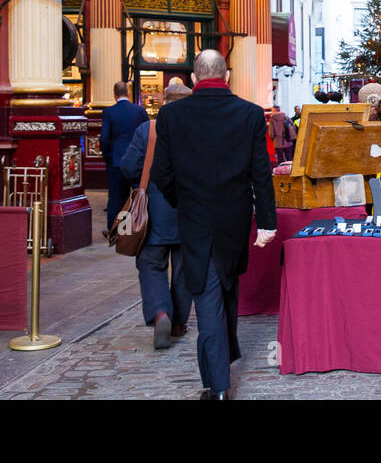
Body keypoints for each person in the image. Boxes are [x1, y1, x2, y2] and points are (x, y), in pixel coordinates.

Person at [149, 50, 276, 399]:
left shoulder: (172, 116)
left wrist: (183, 201)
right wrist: (267, 222)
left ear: (193, 79)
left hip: (195, 220)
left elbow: (161, 174)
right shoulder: (250, 114)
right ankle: (222, 369)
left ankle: (218, 385)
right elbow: (261, 175)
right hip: (234, 221)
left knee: (208, 301)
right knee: (224, 290)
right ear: (228, 75)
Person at [121, 79, 192, 350]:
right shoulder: (198, 132)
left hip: (154, 212)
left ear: (164, 104)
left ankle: (161, 312)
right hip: (188, 212)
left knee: (151, 264)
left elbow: (128, 167)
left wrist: (145, 178)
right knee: (185, 268)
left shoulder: (146, 130)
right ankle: (179, 323)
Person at [100, 80, 149, 237]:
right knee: (137, 195)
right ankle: (137, 228)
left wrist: (108, 156)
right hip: (137, 161)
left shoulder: (109, 112)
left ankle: (115, 231)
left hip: (117, 161)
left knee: (116, 197)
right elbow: (148, 132)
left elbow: (104, 139)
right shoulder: (139, 111)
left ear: (114, 95)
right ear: (128, 93)